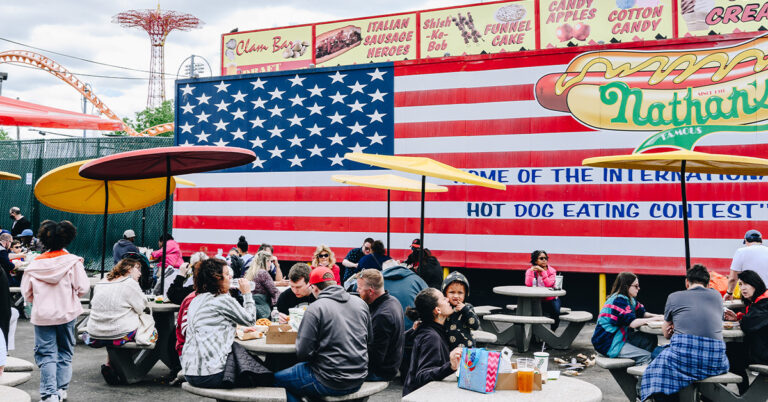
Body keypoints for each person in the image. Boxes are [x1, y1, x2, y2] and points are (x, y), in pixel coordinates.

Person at [274, 267, 372, 402]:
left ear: (314, 288)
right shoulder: (360, 303)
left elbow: (303, 353)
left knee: (276, 379)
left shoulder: (316, 308)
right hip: (359, 376)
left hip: (329, 379)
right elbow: (369, 340)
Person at [21, 220, 90, 402]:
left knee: (46, 354)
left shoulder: (34, 264)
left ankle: (49, 393)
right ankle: (61, 389)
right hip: (67, 313)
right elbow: (83, 288)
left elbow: (26, 293)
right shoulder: (73, 261)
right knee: (65, 351)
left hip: (42, 315)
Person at [641, 264, 729, 402]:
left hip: (684, 359)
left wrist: (675, 330)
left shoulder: (674, 297)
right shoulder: (717, 296)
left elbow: (666, 333)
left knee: (657, 354)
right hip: (715, 361)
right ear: (707, 284)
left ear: (687, 282)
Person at [182, 258, 258, 388]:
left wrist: (237, 330)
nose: (231, 277)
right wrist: (247, 294)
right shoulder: (223, 300)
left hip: (189, 372)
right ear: (217, 279)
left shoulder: (196, 300)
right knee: (260, 373)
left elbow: (210, 327)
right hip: (211, 374)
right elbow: (250, 320)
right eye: (227, 274)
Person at [84, 257, 157, 385]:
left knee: (115, 326)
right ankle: (124, 368)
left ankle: (110, 365)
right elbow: (141, 307)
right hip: (119, 334)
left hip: (94, 333)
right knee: (147, 331)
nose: (140, 273)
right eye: (138, 269)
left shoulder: (102, 281)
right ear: (129, 269)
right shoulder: (130, 283)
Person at [591, 272, 663, 365]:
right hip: (608, 343)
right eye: (636, 286)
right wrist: (655, 319)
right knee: (647, 356)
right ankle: (643, 365)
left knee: (649, 338)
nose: (639, 288)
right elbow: (632, 323)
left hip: (620, 338)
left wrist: (659, 316)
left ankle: (640, 364)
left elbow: (642, 313)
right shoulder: (618, 301)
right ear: (626, 286)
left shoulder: (629, 299)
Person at [402, 288, 462, 396]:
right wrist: (451, 366)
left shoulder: (431, 329)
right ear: (437, 310)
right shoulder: (431, 337)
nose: (448, 299)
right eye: (443, 299)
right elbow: (422, 375)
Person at [724, 270, 768, 394]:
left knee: (727, 353)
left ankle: (721, 392)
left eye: (746, 284)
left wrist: (742, 319)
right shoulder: (759, 302)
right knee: (729, 351)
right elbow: (754, 320)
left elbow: (749, 324)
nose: (742, 288)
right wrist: (739, 318)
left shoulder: (765, 302)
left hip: (763, 353)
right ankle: (741, 392)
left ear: (756, 284)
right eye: (740, 284)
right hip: (760, 348)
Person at [357, 269, 404, 381]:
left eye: (359, 288)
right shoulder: (393, 300)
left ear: (370, 291)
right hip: (391, 365)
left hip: (380, 372)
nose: (357, 291)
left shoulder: (382, 316)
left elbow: (374, 358)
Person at [382, 259, 428, 329]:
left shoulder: (377, 282)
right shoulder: (416, 280)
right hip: (413, 327)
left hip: (385, 328)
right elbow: (430, 300)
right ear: (398, 266)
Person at [725, 229, 768, 301]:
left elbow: (733, 278)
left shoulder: (741, 252)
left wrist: (729, 293)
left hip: (750, 295)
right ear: (761, 241)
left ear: (746, 240)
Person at [441, 271, 480, 349]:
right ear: (445, 293)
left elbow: (475, 326)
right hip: (447, 348)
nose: (456, 296)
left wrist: (465, 310)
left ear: (465, 294)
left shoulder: (468, 307)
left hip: (466, 348)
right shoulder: (443, 307)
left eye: (460, 293)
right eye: (452, 292)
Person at [525, 250, 562, 330]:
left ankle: (552, 332)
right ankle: (533, 335)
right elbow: (528, 284)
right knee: (528, 314)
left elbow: (549, 284)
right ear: (535, 261)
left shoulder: (552, 271)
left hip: (550, 299)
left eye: (546, 258)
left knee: (556, 312)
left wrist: (543, 272)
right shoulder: (530, 271)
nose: (544, 260)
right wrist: (531, 272)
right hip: (536, 299)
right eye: (541, 258)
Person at [243, 250, 279, 319]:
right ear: (265, 261)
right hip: (262, 309)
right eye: (270, 261)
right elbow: (274, 291)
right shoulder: (263, 273)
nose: (271, 264)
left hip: (251, 307)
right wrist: (276, 306)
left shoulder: (249, 273)